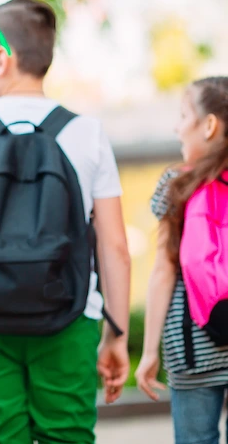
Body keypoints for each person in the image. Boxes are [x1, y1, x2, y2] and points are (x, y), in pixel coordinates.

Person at [0, 0, 131, 444]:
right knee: (68, 436)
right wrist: (116, 335)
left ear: (1, 58)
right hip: (70, 318)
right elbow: (114, 247)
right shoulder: (87, 132)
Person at [136, 77, 228, 444]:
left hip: (191, 350)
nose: (177, 126)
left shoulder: (176, 184)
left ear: (208, 125)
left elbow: (163, 272)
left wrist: (148, 352)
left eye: (184, 115)